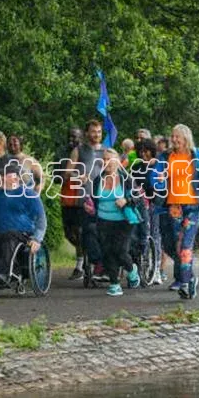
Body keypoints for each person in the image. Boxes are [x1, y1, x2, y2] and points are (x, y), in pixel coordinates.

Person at [152, 124, 199, 299]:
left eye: (177, 137)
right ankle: (190, 278)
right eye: (172, 136)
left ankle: (186, 282)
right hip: (173, 205)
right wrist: (159, 180)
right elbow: (154, 177)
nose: (174, 140)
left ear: (186, 138)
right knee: (174, 245)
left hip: (193, 205)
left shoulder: (198, 155)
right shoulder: (165, 156)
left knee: (186, 245)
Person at [0, 165, 47, 285]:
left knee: (9, 235)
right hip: (0, 233)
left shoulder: (29, 195)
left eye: (4, 175)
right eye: (0, 175)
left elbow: (41, 219)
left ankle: (6, 273)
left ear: (16, 178)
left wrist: (37, 239)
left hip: (23, 234)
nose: (0, 177)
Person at [89, 148, 141, 296]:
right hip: (103, 220)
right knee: (107, 252)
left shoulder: (126, 179)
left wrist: (126, 200)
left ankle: (132, 269)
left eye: (110, 159)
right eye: (104, 159)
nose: (107, 162)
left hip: (123, 220)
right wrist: (90, 208)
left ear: (117, 162)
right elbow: (94, 200)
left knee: (120, 251)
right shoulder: (98, 180)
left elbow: (138, 197)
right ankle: (114, 284)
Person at [67, 120, 106, 281]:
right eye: (93, 131)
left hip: (104, 198)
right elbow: (67, 172)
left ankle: (103, 265)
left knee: (103, 231)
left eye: (99, 132)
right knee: (84, 232)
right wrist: (77, 176)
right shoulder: (79, 150)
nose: (96, 134)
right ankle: (89, 263)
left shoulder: (107, 150)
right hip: (85, 198)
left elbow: (118, 170)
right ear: (87, 133)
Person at [130, 138, 163, 284]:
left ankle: (156, 270)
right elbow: (131, 183)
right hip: (140, 203)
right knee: (139, 234)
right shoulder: (136, 167)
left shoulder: (159, 166)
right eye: (141, 152)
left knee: (154, 234)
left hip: (155, 203)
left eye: (146, 151)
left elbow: (162, 185)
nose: (143, 154)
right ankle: (139, 265)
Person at [55, 128, 86, 280]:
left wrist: (75, 176)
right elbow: (56, 175)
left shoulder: (86, 153)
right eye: (69, 136)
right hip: (67, 196)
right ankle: (85, 254)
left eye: (75, 137)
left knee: (80, 231)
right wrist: (63, 175)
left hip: (82, 197)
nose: (71, 139)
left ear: (82, 137)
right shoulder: (62, 153)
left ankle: (80, 265)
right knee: (69, 233)